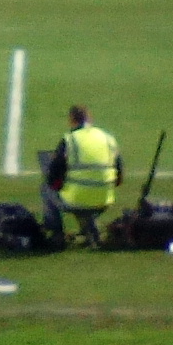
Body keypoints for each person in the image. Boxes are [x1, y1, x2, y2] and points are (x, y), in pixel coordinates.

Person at [40, 104, 121, 245]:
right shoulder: (108, 139)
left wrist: (58, 185)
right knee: (84, 195)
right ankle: (89, 230)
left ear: (72, 120)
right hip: (105, 200)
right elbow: (119, 174)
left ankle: (56, 233)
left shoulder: (70, 140)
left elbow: (54, 175)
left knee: (47, 189)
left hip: (77, 200)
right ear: (90, 119)